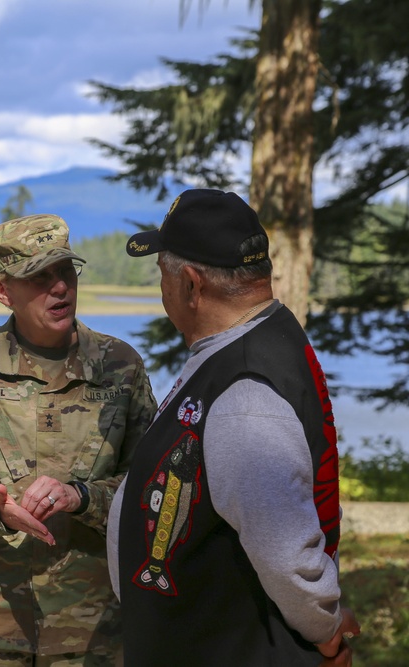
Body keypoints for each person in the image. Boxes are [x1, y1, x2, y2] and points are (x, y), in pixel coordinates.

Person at [108, 188, 361, 666]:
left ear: (190, 284)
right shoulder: (248, 344)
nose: (160, 288)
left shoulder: (245, 392)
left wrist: (324, 628)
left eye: (161, 272)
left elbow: (286, 551)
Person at [0, 214, 157, 666]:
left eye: (64, 272)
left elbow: (152, 489)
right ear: (3, 291)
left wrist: (82, 497)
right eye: (38, 278)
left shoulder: (120, 365)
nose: (59, 288)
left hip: (90, 628)